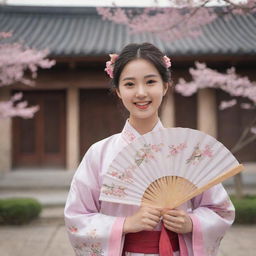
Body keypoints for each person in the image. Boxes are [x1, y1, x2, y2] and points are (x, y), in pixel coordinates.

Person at [64, 42, 235, 256]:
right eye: (129, 84)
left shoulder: (189, 152)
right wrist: (125, 224)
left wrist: (191, 222)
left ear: (165, 86)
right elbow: (77, 217)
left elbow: (220, 210)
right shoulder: (99, 154)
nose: (141, 93)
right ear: (118, 91)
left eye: (151, 82)